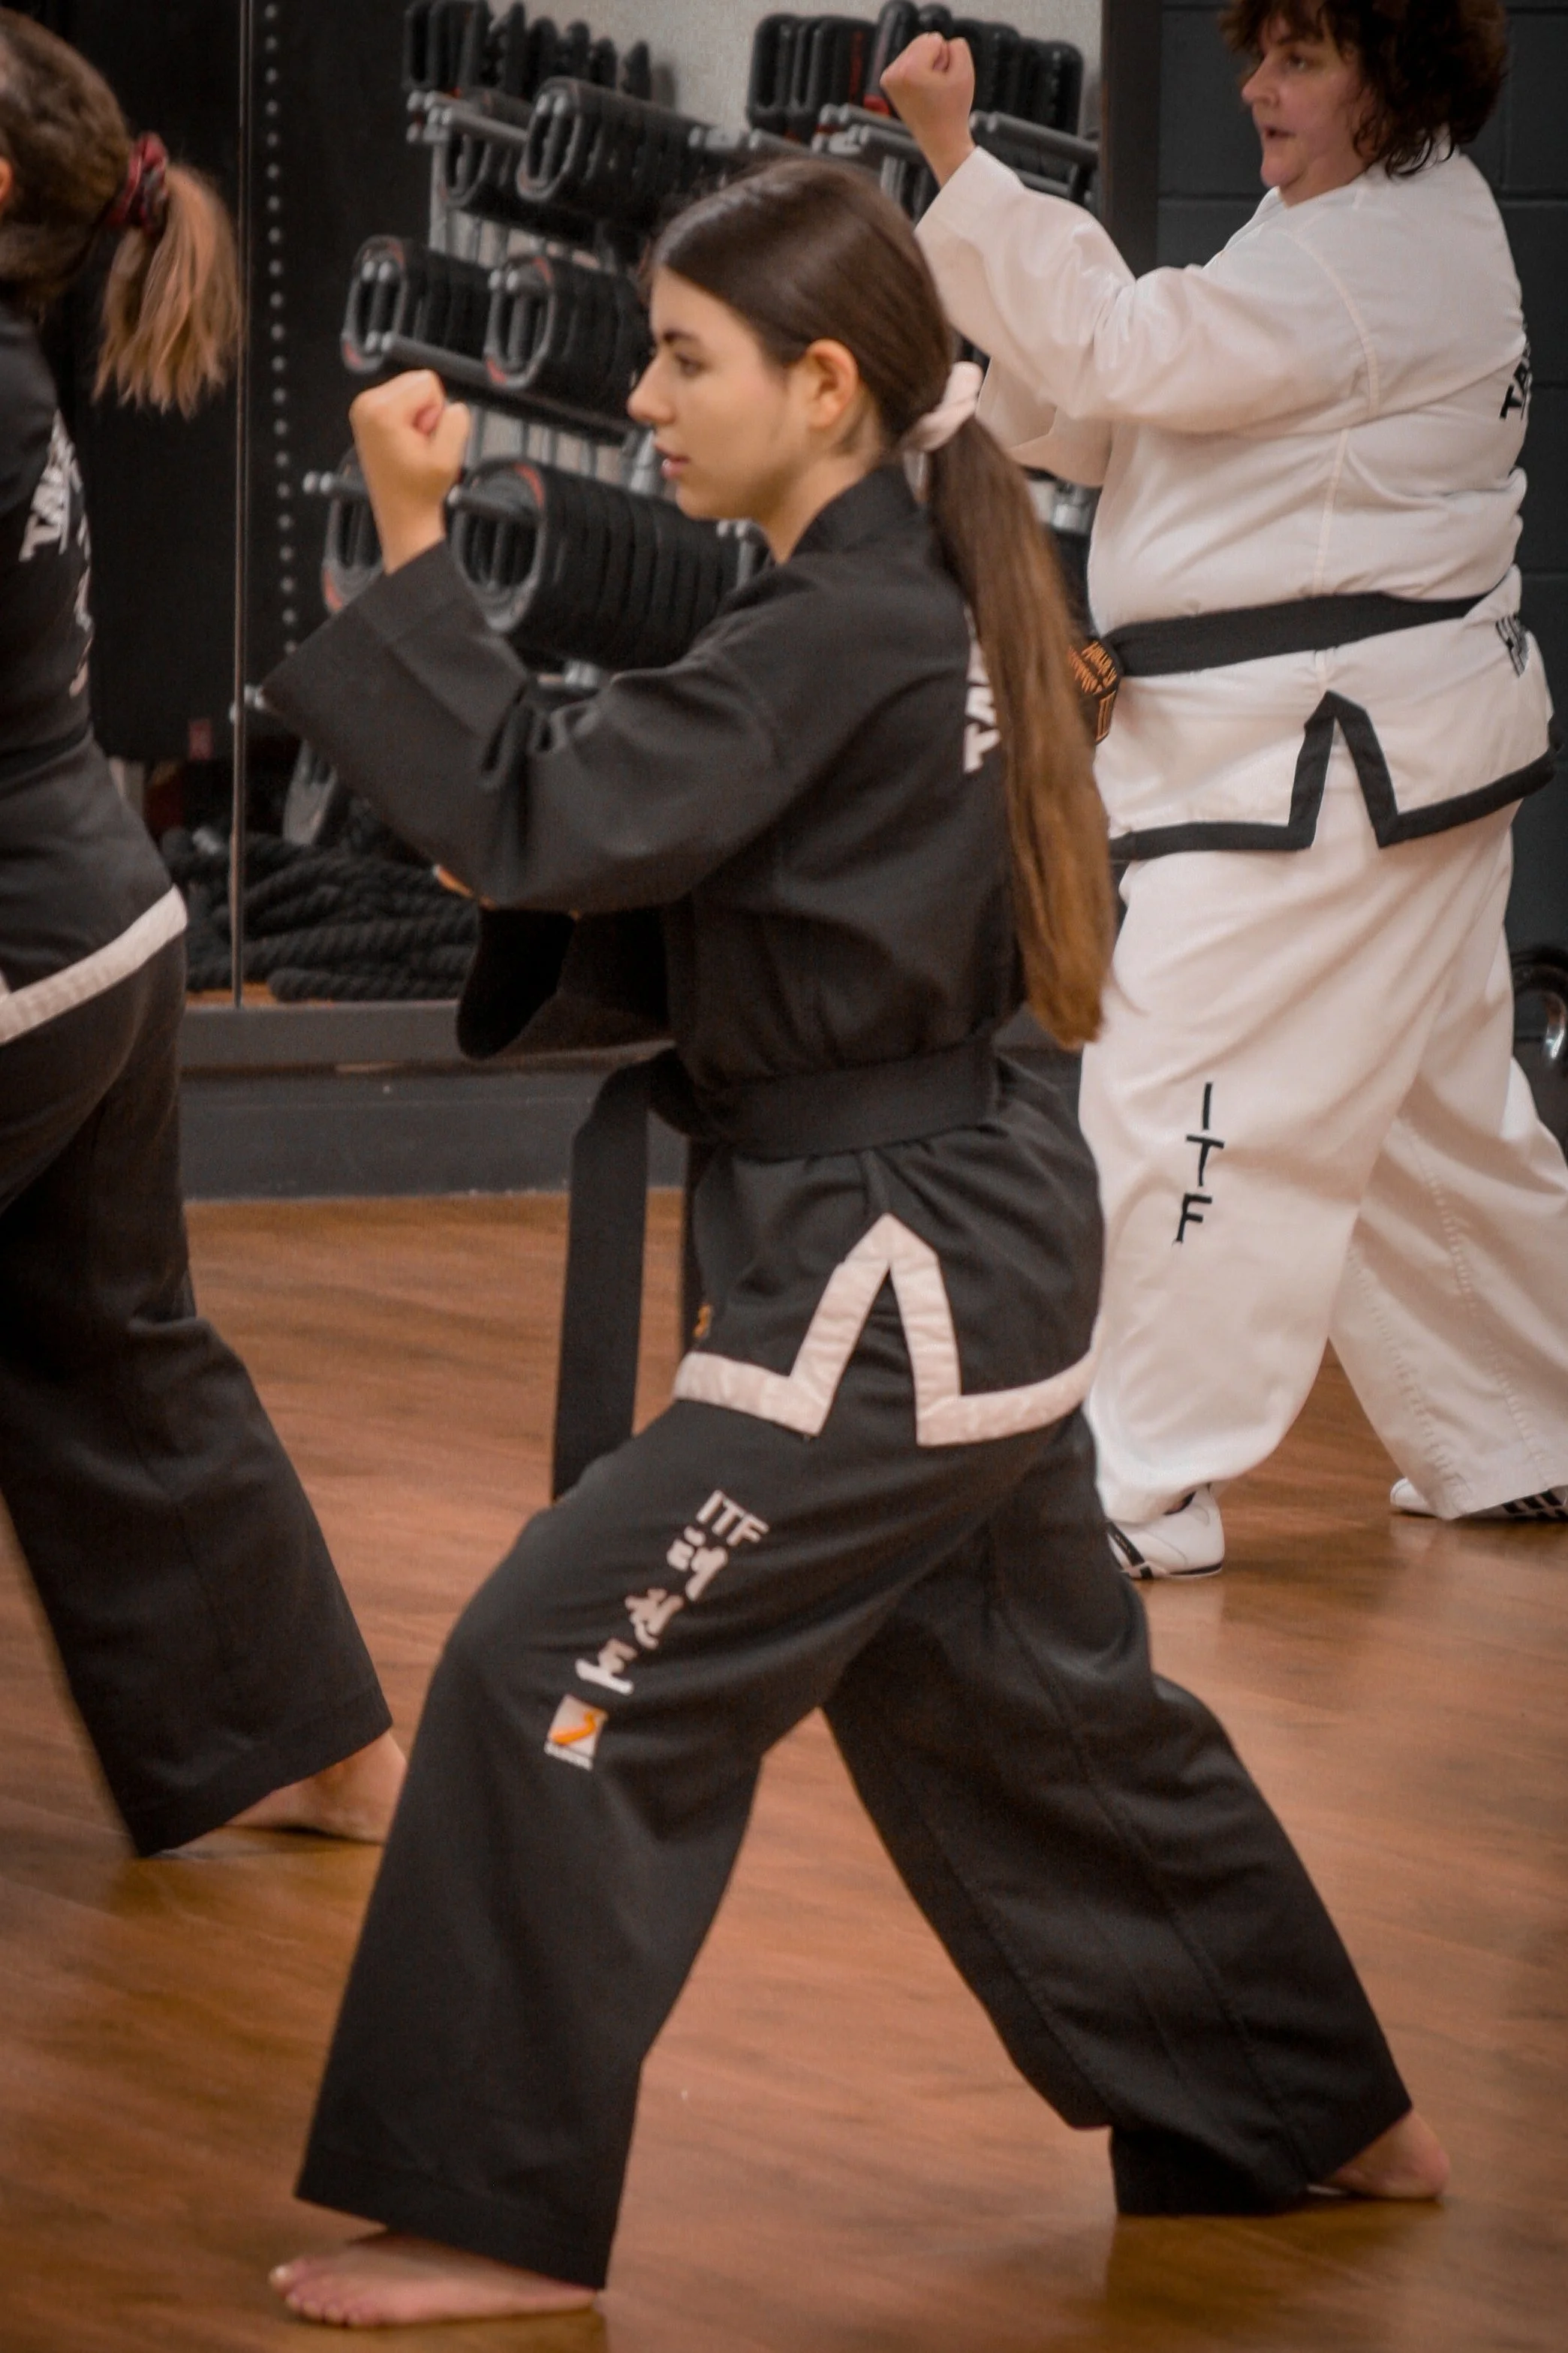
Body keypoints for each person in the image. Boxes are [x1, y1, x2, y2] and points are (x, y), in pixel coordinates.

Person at [262, 159, 1443, 2330]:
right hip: (967, 1233)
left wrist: (416, 540)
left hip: (884, 1280)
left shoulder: (845, 617)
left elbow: (534, 799)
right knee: (1032, 1715)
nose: (644, 402)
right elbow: (682, 843)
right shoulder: (914, 590)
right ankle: (1311, 2103)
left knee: (556, 1670)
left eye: (683, 359)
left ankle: (488, 2206)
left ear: (823, 383)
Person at [888, 0, 1568, 1578]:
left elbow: (1134, 352)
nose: (1259, 86)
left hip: (1326, 772)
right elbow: (1157, 418)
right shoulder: (1353, 223)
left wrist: (956, 160)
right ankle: (1533, 1419)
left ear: (1393, 80)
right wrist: (966, 402)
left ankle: (1133, 1475)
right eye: (1258, 50)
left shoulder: (1380, 252)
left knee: (1180, 1092)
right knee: (1428, 1123)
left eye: (1304, 59)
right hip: (1384, 750)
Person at [0, 8, 403, 1852]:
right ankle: (328, 1753)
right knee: (118, 1342)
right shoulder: (17, 367)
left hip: (25, 951)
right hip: (108, 940)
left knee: (122, 1342)